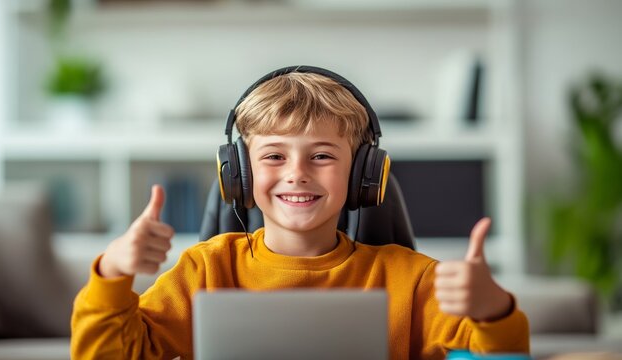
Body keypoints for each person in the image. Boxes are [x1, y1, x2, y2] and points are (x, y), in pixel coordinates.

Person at [71, 66, 529, 359]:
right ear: (240, 175)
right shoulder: (204, 271)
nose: (297, 173)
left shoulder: (414, 281)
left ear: (362, 176)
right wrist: (112, 272)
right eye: (273, 156)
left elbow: (497, 354)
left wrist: (492, 310)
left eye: (323, 156)